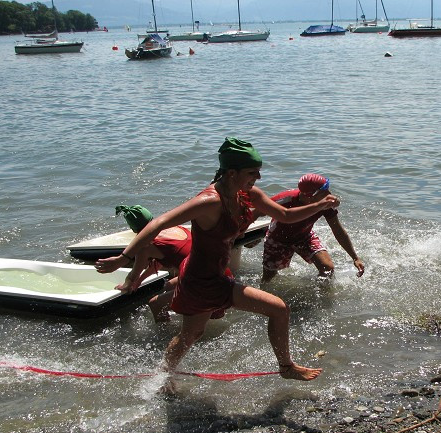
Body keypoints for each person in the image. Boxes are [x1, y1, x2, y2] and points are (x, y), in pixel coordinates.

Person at [95, 137, 339, 382]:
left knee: (275, 311)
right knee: (191, 335)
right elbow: (158, 224)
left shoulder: (248, 194)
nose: (259, 178)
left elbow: (285, 215)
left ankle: (285, 367)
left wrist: (320, 204)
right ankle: (162, 378)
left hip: (219, 276)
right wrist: (122, 258)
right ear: (232, 173)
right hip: (200, 281)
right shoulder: (209, 201)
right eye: (252, 172)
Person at [261, 174, 365, 282]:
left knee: (328, 269)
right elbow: (258, 210)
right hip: (277, 239)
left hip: (304, 236)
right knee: (268, 278)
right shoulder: (287, 199)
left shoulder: (326, 204)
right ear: (309, 196)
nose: (329, 194)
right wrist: (244, 230)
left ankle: (321, 297)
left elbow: (338, 231)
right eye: (324, 191)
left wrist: (355, 257)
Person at [110, 204, 195, 322]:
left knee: (154, 304)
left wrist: (126, 286)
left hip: (199, 281)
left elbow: (133, 275)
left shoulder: (146, 246)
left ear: (134, 230)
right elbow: (158, 263)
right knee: (168, 285)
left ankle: (164, 336)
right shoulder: (175, 228)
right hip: (214, 271)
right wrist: (139, 282)